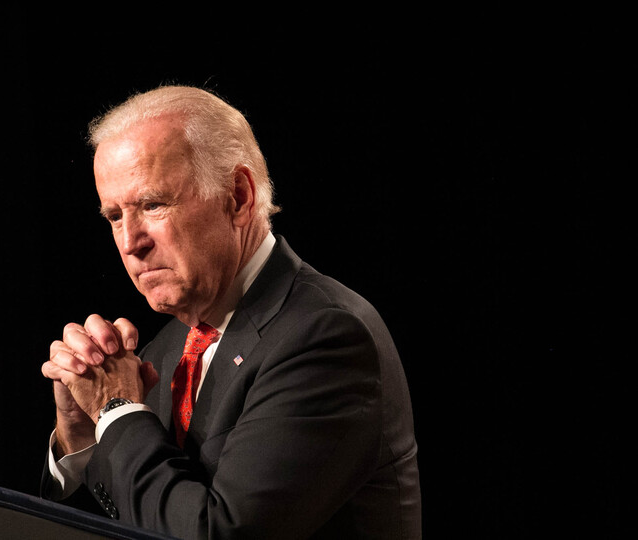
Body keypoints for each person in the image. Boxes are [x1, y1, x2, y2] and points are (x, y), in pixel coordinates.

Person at [40, 85, 422, 539]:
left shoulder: (325, 335)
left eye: (152, 205)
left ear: (238, 196)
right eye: (115, 216)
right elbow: (133, 515)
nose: (130, 242)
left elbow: (218, 533)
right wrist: (84, 435)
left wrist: (117, 410)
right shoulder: (159, 354)